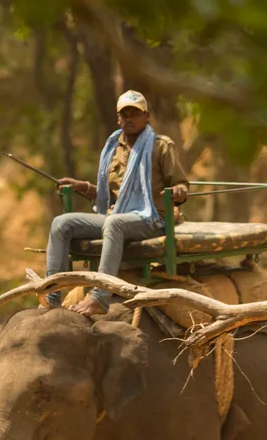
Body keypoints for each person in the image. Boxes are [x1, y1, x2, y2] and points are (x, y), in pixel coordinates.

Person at [43, 90, 190, 317]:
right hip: (117, 214)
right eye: (125, 114)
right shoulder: (113, 147)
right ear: (118, 118)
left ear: (146, 116)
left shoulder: (161, 146)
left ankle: (100, 297)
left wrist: (180, 191)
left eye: (135, 113)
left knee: (114, 224)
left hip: (150, 218)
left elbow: (181, 184)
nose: (129, 118)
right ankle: (51, 299)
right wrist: (82, 186)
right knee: (61, 223)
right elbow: (109, 196)